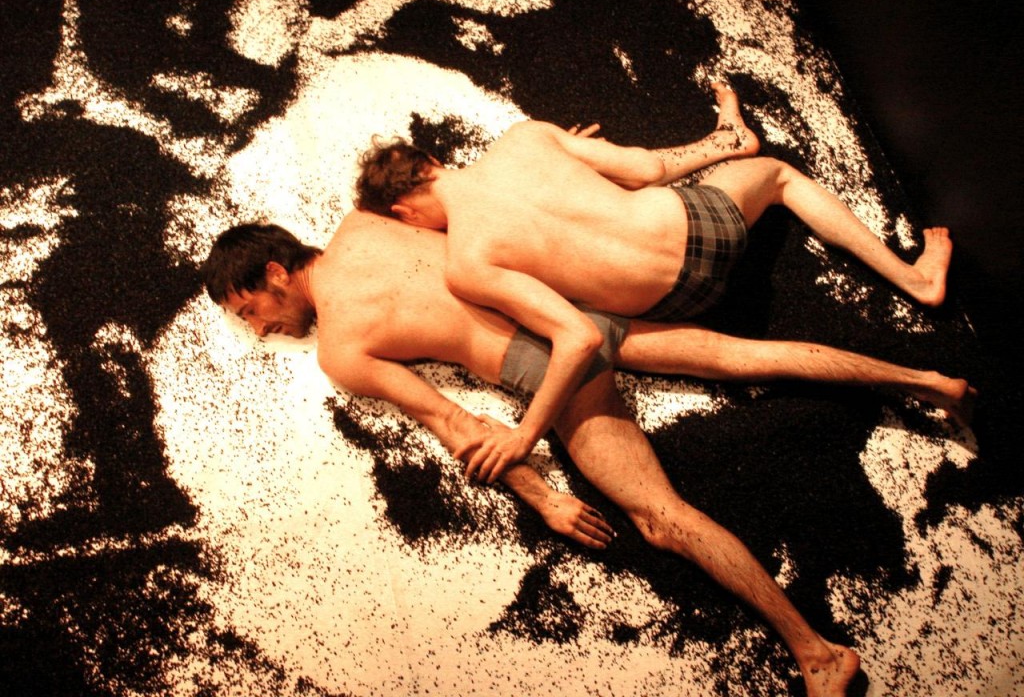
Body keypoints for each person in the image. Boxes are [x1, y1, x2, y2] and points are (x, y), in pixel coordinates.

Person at [201, 214, 974, 697]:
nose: (262, 330)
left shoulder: (340, 348)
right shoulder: (365, 223)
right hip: (573, 309)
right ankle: (929, 383)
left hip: (544, 368)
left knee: (661, 518)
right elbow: (476, 206)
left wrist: (544, 498)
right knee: (744, 356)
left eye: (251, 311)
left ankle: (818, 653)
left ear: (274, 272)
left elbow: (455, 422)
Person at [353, 83, 955, 478]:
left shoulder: (466, 263)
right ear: (433, 163)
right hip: (708, 228)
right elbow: (646, 168)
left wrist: (524, 435)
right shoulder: (524, 139)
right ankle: (915, 278)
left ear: (405, 213)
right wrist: (566, 157)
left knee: (635, 302)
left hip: (679, 300)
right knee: (775, 175)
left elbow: (579, 338)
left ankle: (732, 140)